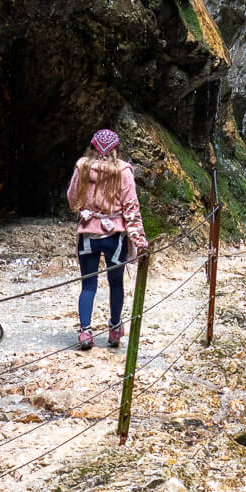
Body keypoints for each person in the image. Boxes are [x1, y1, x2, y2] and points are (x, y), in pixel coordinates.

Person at [67, 128, 148, 350]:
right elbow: (131, 208)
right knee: (115, 282)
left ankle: (85, 332)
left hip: (87, 233)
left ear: (92, 147)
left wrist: (84, 209)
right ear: (116, 149)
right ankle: (114, 328)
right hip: (114, 237)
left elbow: (72, 198)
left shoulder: (82, 167)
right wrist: (140, 240)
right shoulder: (123, 171)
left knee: (88, 285)